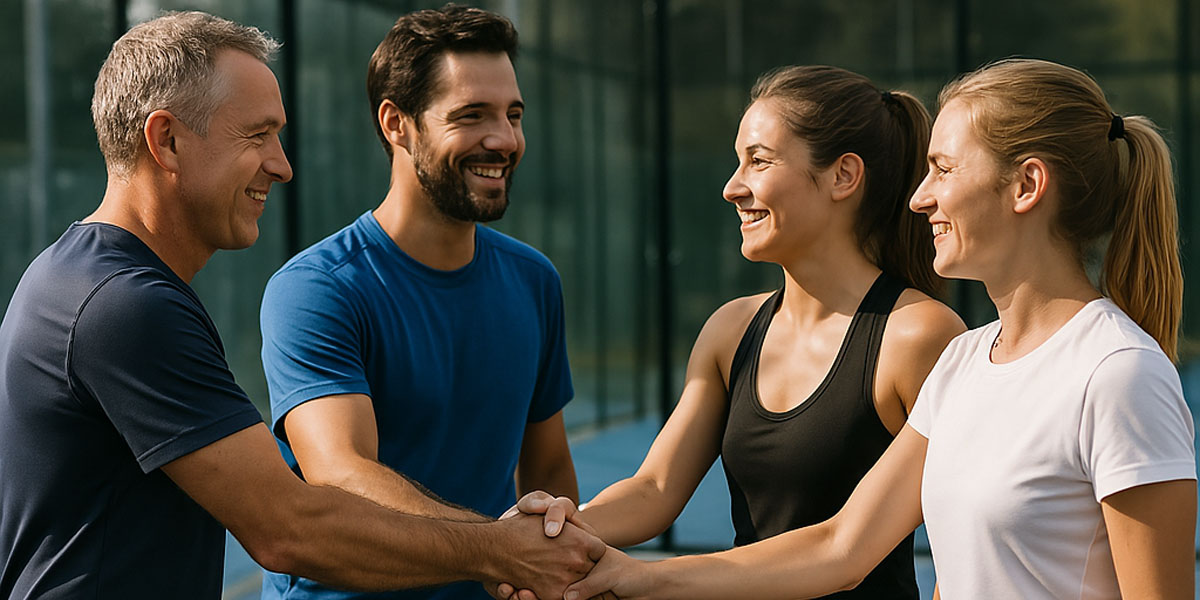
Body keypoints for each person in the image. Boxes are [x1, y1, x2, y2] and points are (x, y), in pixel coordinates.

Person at [0, 11, 603, 600]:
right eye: (257, 134)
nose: (281, 165)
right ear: (167, 140)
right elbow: (289, 527)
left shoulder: (90, 281)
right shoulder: (122, 305)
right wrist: (502, 550)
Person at [549, 58, 1197, 600]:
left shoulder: (1118, 374)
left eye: (943, 169)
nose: (919, 197)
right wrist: (627, 574)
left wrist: (638, 577)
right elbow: (842, 544)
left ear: (1026, 184)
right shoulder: (967, 360)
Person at [501, 65, 965, 599]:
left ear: (843, 176)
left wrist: (639, 578)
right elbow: (654, 489)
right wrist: (559, 529)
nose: (731, 187)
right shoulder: (732, 328)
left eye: (759, 161)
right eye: (737, 162)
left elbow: (845, 550)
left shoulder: (918, 336)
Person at [257, 5, 579, 600]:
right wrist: (504, 552)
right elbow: (342, 474)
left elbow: (550, 467)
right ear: (396, 123)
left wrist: (552, 560)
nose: (503, 139)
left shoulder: (535, 280)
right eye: (471, 115)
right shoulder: (317, 290)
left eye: (513, 114)